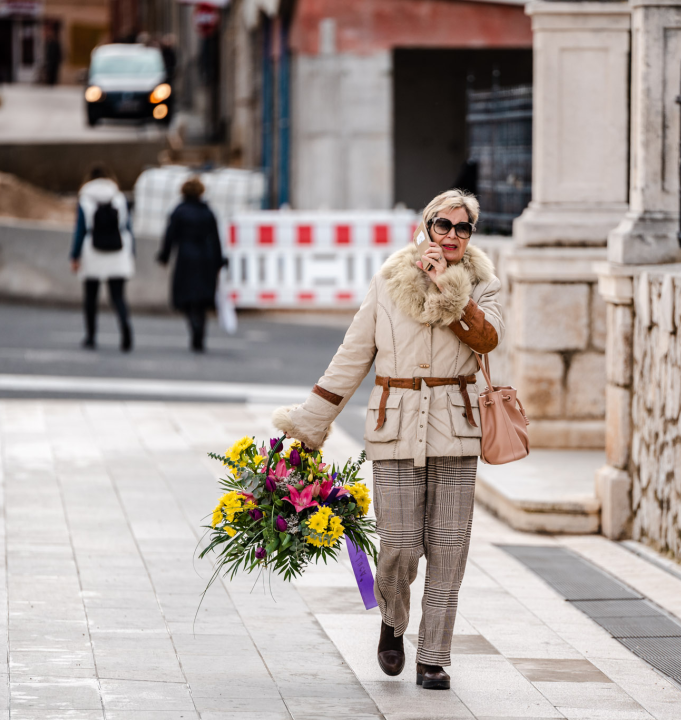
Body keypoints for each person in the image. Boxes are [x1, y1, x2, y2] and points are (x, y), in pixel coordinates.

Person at [271, 189, 502, 691]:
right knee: (398, 545)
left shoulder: (484, 284)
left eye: (463, 228)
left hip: (457, 429)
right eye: (444, 224)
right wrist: (311, 423)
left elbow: (487, 339)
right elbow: (353, 355)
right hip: (394, 427)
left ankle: (433, 657)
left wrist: (450, 289)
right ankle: (393, 622)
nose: (453, 235)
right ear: (426, 225)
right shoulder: (389, 279)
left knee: (449, 549)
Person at [156, 177, 226, 352]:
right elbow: (216, 239)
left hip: (186, 258)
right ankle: (200, 330)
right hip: (206, 258)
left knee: (186, 297)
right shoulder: (208, 212)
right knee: (202, 299)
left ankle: (193, 325)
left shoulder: (179, 211)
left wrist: (164, 256)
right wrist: (219, 261)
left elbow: (170, 236)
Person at [70, 165, 134, 351]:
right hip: (118, 250)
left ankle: (91, 336)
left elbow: (80, 231)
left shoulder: (85, 199)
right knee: (118, 296)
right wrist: (132, 253)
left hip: (92, 250)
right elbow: (128, 228)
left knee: (91, 297)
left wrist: (75, 255)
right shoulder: (120, 198)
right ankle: (125, 327)